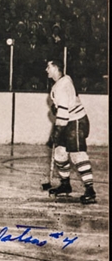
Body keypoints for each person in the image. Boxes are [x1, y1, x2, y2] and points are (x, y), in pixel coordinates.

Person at [45, 60, 96, 204]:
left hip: (76, 122)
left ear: (55, 68)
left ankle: (90, 190)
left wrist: (56, 133)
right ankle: (65, 184)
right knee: (60, 153)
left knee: (77, 155)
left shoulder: (61, 86)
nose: (46, 70)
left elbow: (63, 114)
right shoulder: (64, 80)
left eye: (48, 67)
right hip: (69, 121)